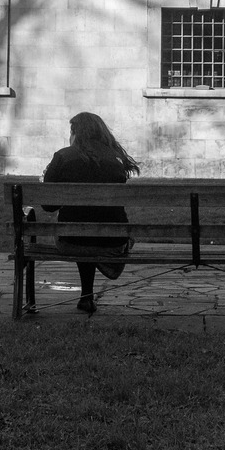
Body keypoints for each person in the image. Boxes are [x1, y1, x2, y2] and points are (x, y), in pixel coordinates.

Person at [42, 112, 142, 314]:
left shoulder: (63, 156)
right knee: (91, 228)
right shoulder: (117, 160)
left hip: (71, 242)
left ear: (75, 133)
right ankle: (87, 295)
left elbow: (48, 206)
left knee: (81, 230)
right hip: (113, 243)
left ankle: (87, 297)